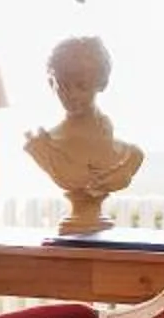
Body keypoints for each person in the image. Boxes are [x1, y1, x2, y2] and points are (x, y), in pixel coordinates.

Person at [24, 34, 146, 235]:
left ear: (102, 83)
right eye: (63, 85)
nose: (72, 95)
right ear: (52, 84)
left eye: (82, 85)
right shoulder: (44, 146)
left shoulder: (130, 155)